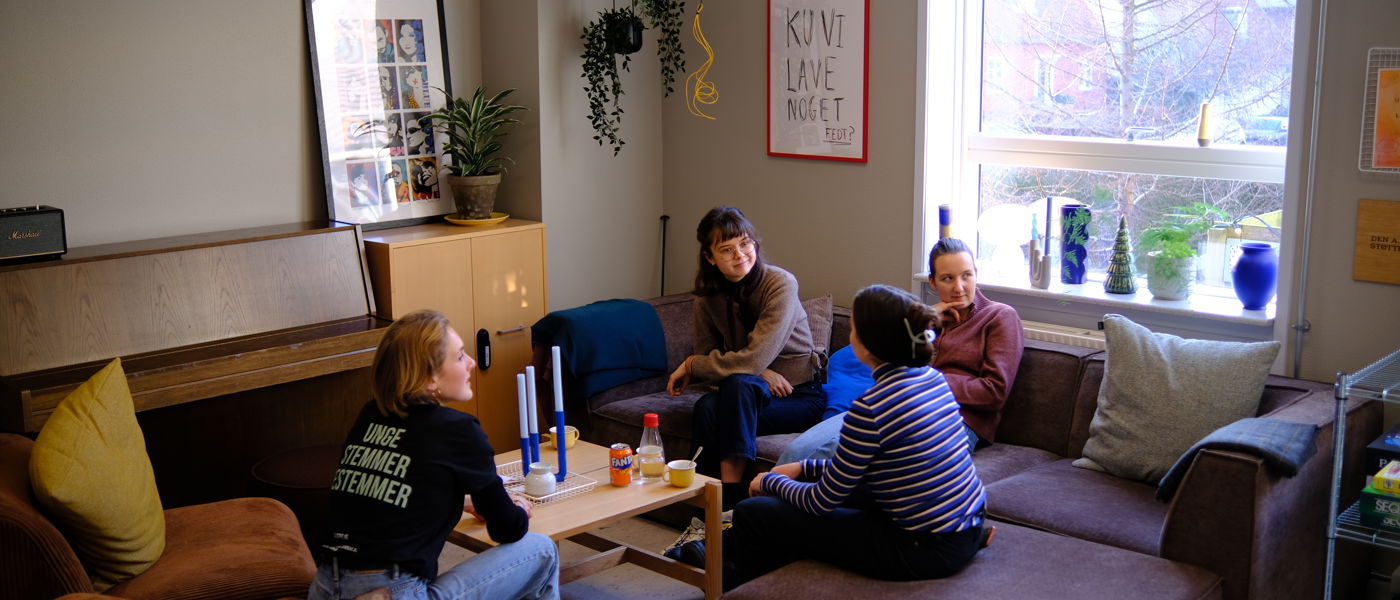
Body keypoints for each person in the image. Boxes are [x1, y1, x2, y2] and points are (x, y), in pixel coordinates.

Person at [670, 284, 991, 589]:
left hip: (920, 549)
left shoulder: (871, 407)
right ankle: (717, 551)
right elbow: (863, 470)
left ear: (865, 344)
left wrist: (770, 482)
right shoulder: (932, 379)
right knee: (797, 495)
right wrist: (802, 468)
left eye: (854, 328)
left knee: (754, 510)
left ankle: (737, 580)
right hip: (966, 528)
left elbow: (822, 500)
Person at [309, 310, 559, 600]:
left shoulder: (371, 413)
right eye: (460, 356)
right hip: (391, 592)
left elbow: (387, 491)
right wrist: (517, 509)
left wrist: (462, 501)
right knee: (541, 550)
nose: (471, 363)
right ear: (430, 379)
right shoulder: (458, 429)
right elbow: (506, 530)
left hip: (324, 586)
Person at [777, 237, 1023, 462]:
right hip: (893, 406)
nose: (959, 287)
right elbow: (886, 361)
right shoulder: (925, 319)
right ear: (933, 282)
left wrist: (922, 381)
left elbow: (994, 392)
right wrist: (923, 319)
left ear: (976, 274)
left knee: (835, 455)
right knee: (797, 451)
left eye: (966, 275)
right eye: (948, 278)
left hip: (954, 420)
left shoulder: (999, 317)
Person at [667, 206, 826, 511]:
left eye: (745, 243)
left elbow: (725, 363)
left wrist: (691, 364)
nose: (739, 255)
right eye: (726, 249)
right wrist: (760, 371)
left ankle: (729, 505)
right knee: (708, 406)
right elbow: (722, 364)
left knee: (737, 386)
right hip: (746, 393)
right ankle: (703, 511)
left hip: (798, 396)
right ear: (710, 258)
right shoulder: (706, 297)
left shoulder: (780, 283)